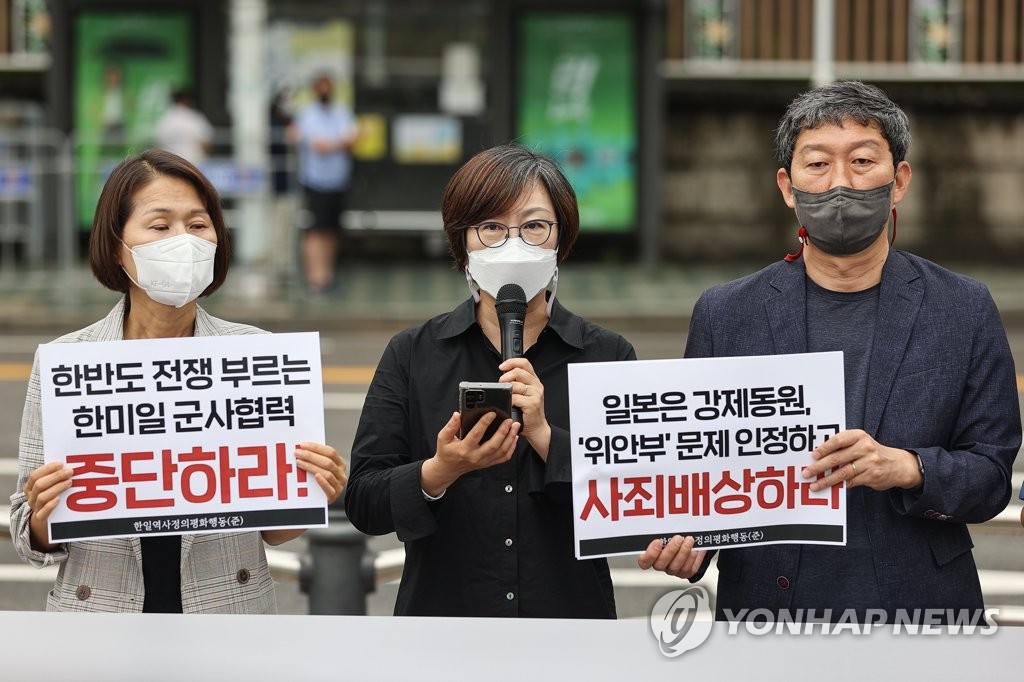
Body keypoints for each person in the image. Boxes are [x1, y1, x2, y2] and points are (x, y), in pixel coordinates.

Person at [638, 80, 1021, 622]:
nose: (840, 183)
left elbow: (991, 476)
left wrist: (906, 467)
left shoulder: (962, 308)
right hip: (768, 612)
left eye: (863, 160)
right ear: (787, 186)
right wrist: (689, 541)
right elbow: (696, 472)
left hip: (923, 611)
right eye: (817, 164)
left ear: (900, 181)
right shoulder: (727, 313)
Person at [10, 149, 347, 613]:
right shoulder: (67, 363)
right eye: (160, 225)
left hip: (228, 618)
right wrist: (44, 514)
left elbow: (273, 531)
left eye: (198, 225)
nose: (183, 241)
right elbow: (26, 531)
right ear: (116, 246)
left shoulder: (255, 357)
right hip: (98, 623)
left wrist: (311, 491)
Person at [344, 143, 636, 617]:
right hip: (443, 625)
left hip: (569, 625)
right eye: (491, 227)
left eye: (535, 226)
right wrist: (440, 470)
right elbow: (363, 502)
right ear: (462, 242)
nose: (514, 244)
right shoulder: (413, 352)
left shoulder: (607, 355)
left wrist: (545, 436)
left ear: (563, 239)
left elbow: (630, 496)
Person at [290, 74, 358, 294]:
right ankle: (315, 278)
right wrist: (339, 143)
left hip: (337, 181)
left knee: (330, 231)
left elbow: (353, 140)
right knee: (316, 230)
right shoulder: (308, 114)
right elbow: (320, 145)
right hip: (316, 182)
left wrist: (334, 144)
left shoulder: (341, 111)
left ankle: (326, 277)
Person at [153, 88, 214, 164]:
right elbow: (206, 144)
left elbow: (158, 145)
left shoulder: (164, 120)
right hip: (194, 164)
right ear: (186, 100)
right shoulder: (195, 118)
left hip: (171, 164)